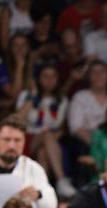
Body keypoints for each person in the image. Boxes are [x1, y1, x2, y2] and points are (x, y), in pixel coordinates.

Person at [15, 63, 75, 198]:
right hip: (28, 139)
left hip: (52, 143)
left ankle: (43, 191)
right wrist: (33, 96)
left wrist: (55, 135)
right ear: (38, 79)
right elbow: (17, 120)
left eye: (53, 76)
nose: (49, 80)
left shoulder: (62, 100)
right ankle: (61, 180)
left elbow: (62, 127)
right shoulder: (27, 95)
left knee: (43, 152)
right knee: (46, 134)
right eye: (45, 76)